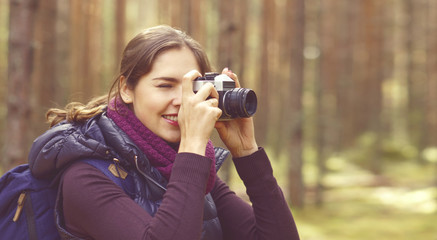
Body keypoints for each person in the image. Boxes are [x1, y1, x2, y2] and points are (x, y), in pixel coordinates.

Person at [28, 25, 300, 240]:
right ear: (126, 89)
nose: (181, 100)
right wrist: (192, 146)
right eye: (164, 86)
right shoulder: (85, 176)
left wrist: (247, 153)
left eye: (190, 87)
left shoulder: (189, 169)